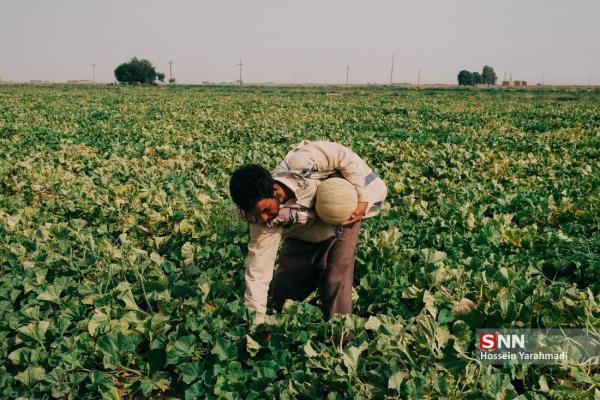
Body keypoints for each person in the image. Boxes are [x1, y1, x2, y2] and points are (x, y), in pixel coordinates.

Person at [229, 139, 387, 328]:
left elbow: (344, 156)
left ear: (274, 190)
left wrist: (361, 199)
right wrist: (257, 323)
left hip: (344, 216)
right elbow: (258, 272)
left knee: (336, 277)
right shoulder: (261, 223)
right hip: (305, 233)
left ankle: (341, 335)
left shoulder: (303, 161)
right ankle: (294, 313)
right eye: (257, 214)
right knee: (284, 290)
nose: (264, 218)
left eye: (265, 210)